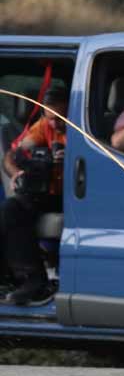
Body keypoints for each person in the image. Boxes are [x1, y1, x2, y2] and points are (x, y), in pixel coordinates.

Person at [1, 84, 68, 306]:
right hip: (49, 192)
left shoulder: (82, 126)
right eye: (50, 118)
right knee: (11, 209)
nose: (55, 124)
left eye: (60, 119)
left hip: (77, 192)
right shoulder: (44, 126)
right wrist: (16, 172)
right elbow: (13, 154)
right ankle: (31, 277)